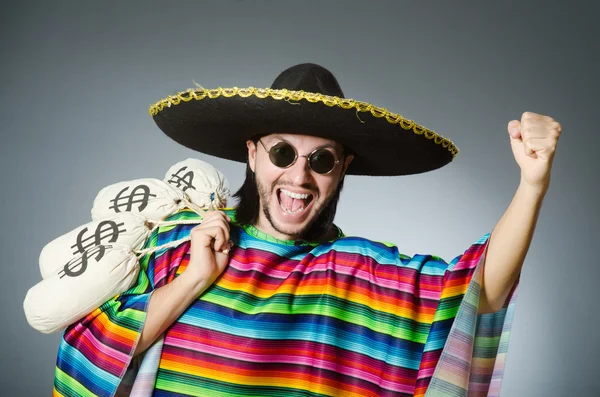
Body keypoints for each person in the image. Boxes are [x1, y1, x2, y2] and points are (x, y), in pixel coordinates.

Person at [52, 63, 562, 397]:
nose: (298, 177)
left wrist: (532, 183)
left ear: (342, 169)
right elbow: (87, 350)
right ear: (252, 154)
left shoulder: (357, 275)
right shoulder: (180, 238)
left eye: (321, 160)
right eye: (281, 153)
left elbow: (478, 292)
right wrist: (191, 280)